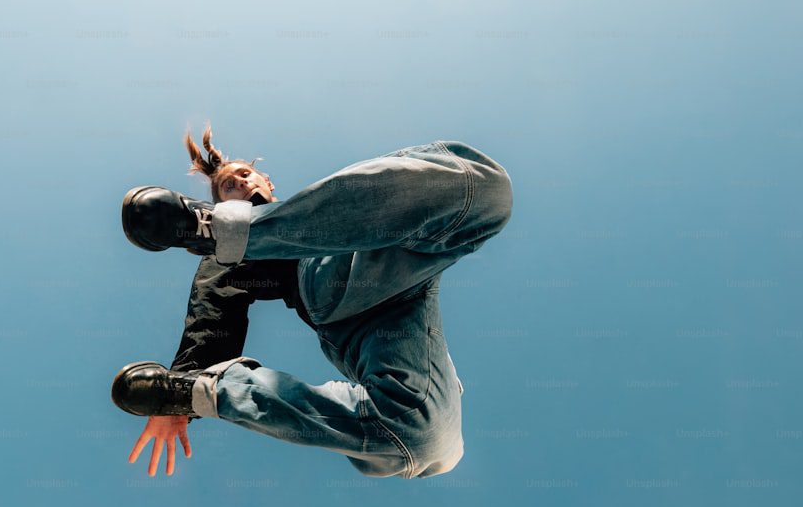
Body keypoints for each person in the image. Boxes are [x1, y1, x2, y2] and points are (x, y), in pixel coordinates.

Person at [112, 124, 513, 479]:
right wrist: (178, 396)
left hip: (395, 257)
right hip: (348, 307)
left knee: (488, 192)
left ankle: (229, 232)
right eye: (230, 189)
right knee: (422, 440)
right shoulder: (233, 261)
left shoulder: (332, 205)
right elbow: (213, 308)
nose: (243, 186)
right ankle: (207, 386)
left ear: (267, 180)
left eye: (246, 176)